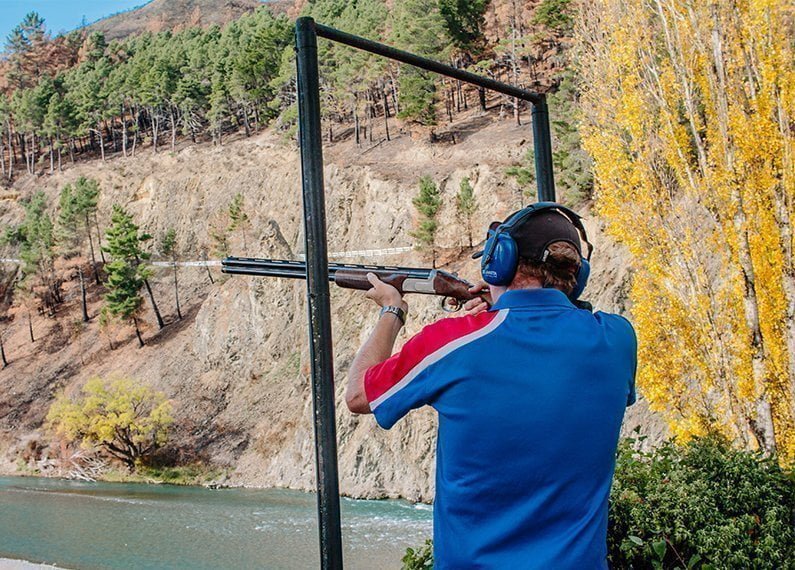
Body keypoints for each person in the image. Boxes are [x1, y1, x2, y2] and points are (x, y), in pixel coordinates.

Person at [345, 203, 637, 569]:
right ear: (579, 275)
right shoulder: (616, 339)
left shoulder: (453, 341)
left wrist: (392, 309)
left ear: (499, 263)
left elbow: (359, 394)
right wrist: (509, 303)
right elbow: (559, 329)